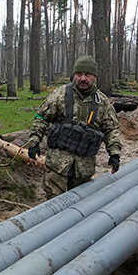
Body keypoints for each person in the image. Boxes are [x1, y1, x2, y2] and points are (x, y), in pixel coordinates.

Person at [26, 55, 121, 199]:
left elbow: (111, 129)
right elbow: (41, 118)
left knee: (79, 204)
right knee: (53, 203)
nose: (83, 78)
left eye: (87, 74)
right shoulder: (60, 95)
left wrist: (114, 154)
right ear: (74, 75)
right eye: (79, 74)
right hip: (58, 166)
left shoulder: (102, 102)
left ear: (95, 77)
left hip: (84, 168)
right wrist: (34, 142)